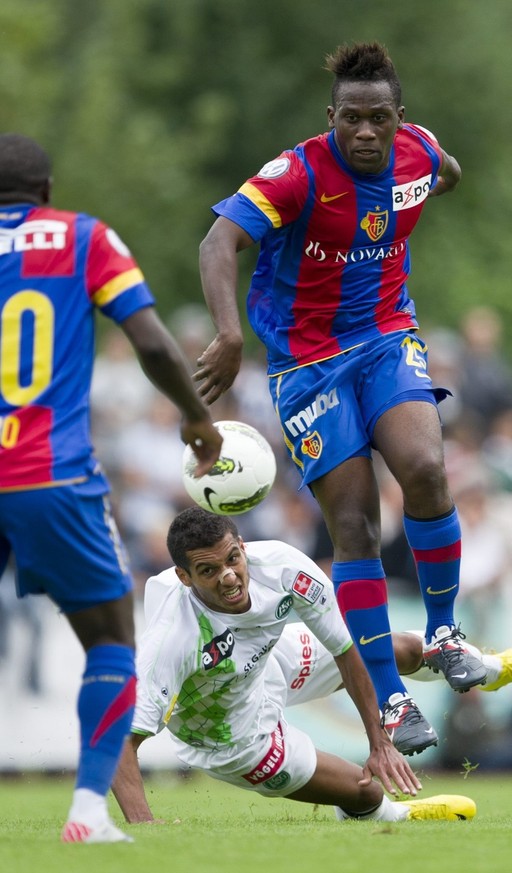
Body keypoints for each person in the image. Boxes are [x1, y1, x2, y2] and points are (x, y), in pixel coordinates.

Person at [195, 41, 482, 755]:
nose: (363, 132)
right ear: (332, 117)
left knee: (425, 468)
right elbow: (217, 241)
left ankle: (445, 632)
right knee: (354, 526)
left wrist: (438, 180)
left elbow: (444, 171)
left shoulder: (418, 153)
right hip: (307, 363)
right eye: (350, 118)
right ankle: (389, 699)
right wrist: (229, 334)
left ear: (398, 119)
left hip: (386, 336)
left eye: (377, 118)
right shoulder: (295, 174)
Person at [0, 134, 223, 844]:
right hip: (50, 475)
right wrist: (195, 416)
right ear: (47, 188)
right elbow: (154, 342)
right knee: (108, 641)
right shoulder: (81, 236)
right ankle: (88, 812)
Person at [111, 507, 512, 826]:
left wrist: (380, 741)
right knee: (365, 792)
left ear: (242, 545)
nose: (229, 575)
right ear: (184, 577)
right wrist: (146, 829)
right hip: (228, 732)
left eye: (233, 558)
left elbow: (348, 649)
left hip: (268, 660)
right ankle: (394, 816)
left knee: (399, 649)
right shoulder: (171, 640)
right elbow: (118, 744)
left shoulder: (285, 567)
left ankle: (489, 670)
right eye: (209, 571)